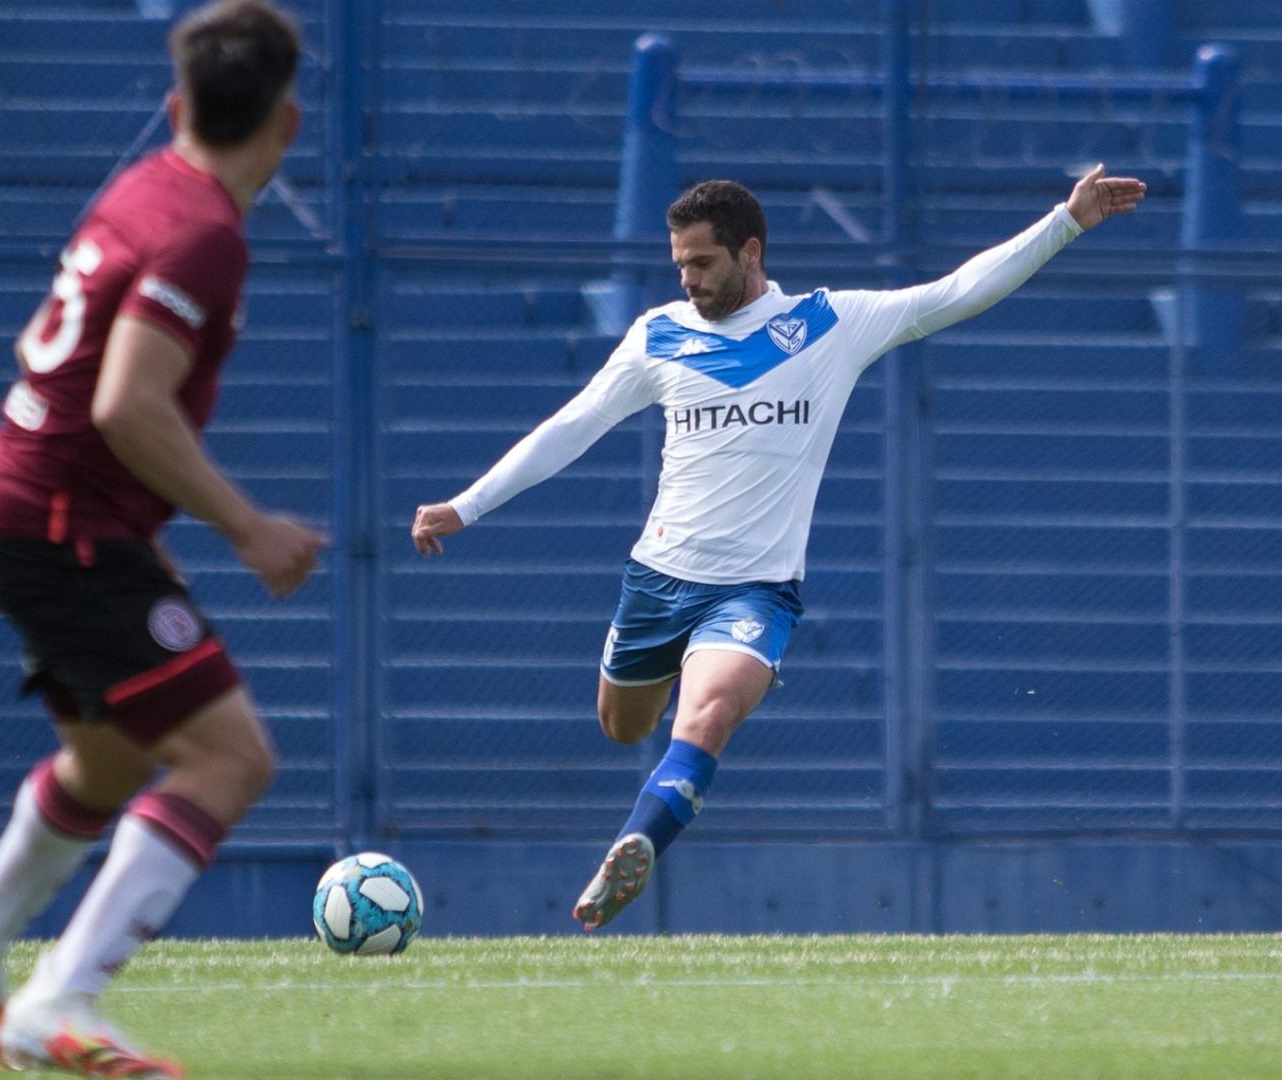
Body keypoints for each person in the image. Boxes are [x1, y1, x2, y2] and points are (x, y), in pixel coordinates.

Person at [412, 166, 1147, 933]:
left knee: (708, 715)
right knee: (624, 726)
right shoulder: (659, 335)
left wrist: (1065, 222)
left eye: (703, 262)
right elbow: (573, 425)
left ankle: (637, 845)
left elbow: (955, 292)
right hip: (658, 579)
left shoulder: (830, 325)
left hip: (755, 590)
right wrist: (467, 505)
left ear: (750, 251)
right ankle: (650, 780)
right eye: (680, 265)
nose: (689, 278)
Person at [0, 1, 316, 1075]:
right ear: (288, 121)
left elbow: (49, 355)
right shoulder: (206, 235)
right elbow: (127, 403)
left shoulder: (140, 188)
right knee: (230, 758)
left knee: (114, 755)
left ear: (176, 107)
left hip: (21, 508)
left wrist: (135, 525)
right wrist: (248, 527)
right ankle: (60, 1001)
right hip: (60, 525)